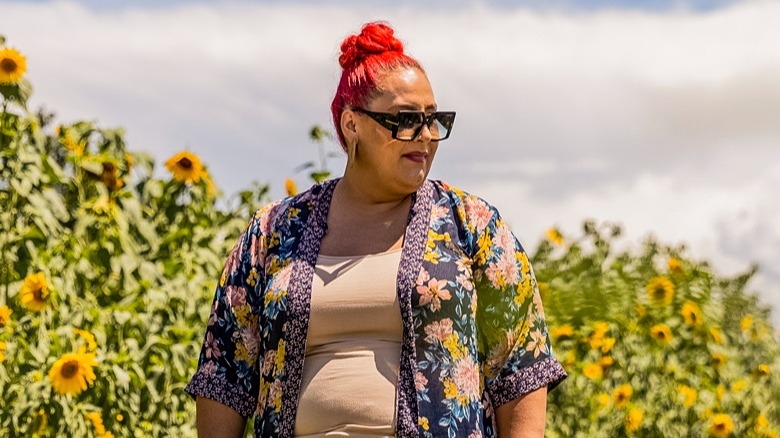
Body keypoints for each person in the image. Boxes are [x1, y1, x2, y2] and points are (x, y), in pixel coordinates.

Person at [186, 21, 566, 438]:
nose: (425, 136)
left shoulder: (472, 226)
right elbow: (225, 374)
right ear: (352, 125)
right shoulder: (273, 232)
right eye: (405, 120)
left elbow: (520, 367)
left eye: (433, 120)